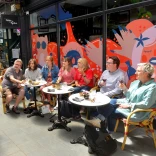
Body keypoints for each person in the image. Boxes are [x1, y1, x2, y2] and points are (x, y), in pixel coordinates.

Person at [84, 63, 156, 131]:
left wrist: (129, 106)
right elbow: (129, 96)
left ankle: (107, 128)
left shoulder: (152, 87)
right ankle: (100, 122)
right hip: (127, 103)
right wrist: (124, 88)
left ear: (146, 73)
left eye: (138, 71)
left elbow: (146, 104)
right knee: (106, 102)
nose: (135, 73)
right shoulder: (136, 83)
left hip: (137, 112)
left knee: (111, 111)